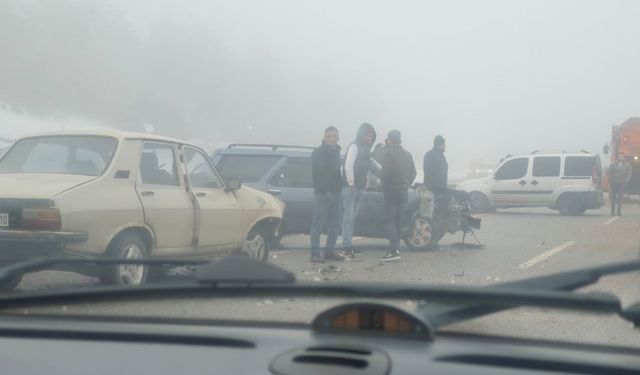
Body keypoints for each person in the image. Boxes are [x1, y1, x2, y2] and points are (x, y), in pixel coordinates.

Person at [378, 130, 416, 262]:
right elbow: (414, 172)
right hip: (403, 191)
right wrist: (406, 183)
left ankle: (393, 252)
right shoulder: (407, 155)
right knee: (398, 221)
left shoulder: (388, 153)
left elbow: (385, 173)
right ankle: (397, 249)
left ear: (390, 140)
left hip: (391, 191)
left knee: (390, 221)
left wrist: (383, 183)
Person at [309, 127, 346, 263]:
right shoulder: (318, 152)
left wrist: (341, 187)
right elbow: (317, 175)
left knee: (336, 224)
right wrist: (325, 192)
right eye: (329, 136)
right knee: (317, 224)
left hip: (337, 194)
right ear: (325, 137)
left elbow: (337, 174)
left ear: (338, 138)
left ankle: (329, 251)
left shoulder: (337, 152)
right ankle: (314, 253)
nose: (332, 139)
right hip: (323, 194)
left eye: (335, 136)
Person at [342, 122, 377, 256]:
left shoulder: (366, 149)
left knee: (353, 217)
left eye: (371, 136)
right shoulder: (354, 146)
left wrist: (366, 182)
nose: (370, 138)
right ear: (362, 134)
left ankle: (348, 244)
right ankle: (347, 246)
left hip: (360, 187)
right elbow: (348, 166)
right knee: (348, 218)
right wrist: (351, 184)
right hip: (351, 188)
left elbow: (367, 168)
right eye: (368, 135)